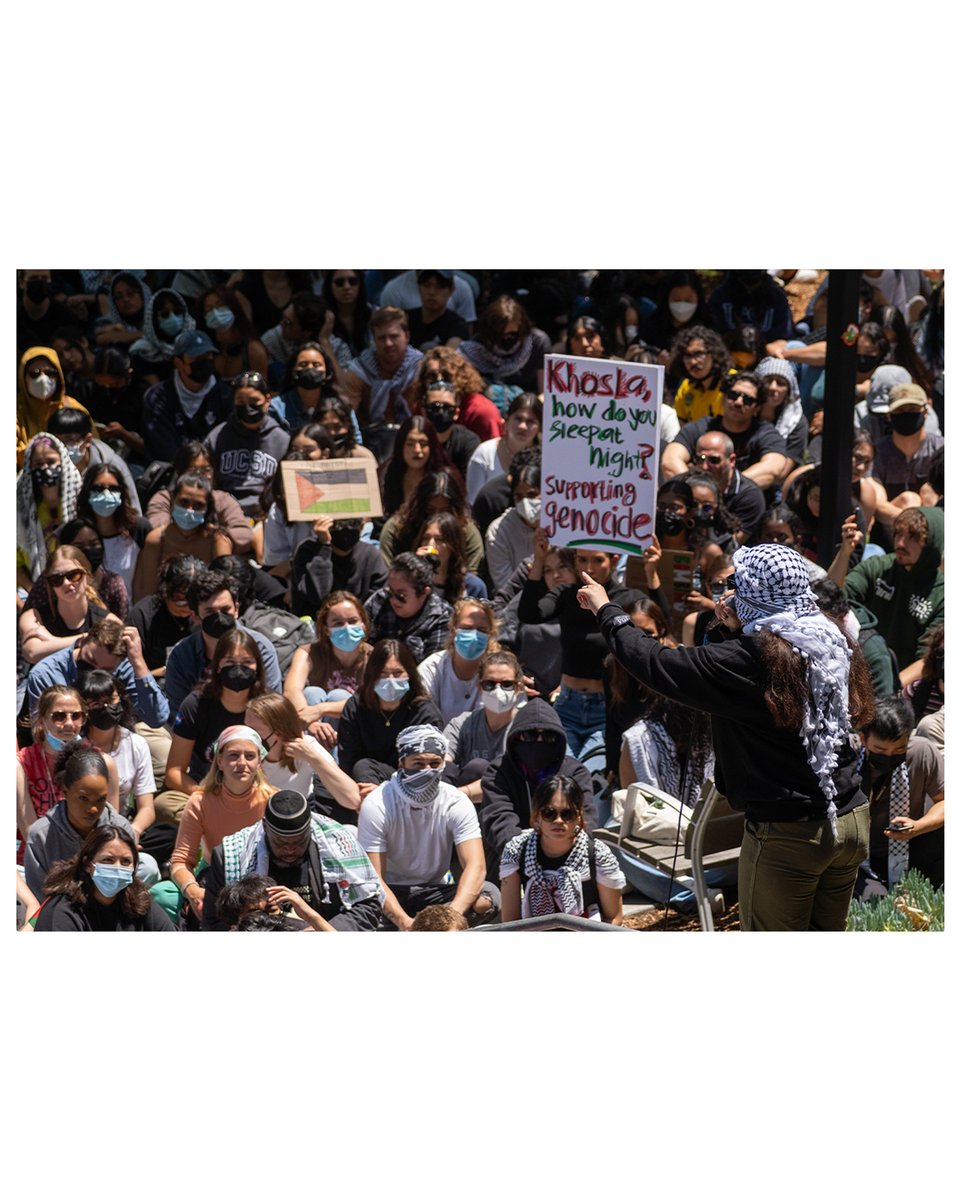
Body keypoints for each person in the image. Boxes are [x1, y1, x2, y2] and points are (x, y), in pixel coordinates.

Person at [579, 542, 875, 932]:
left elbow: (655, 663)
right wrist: (729, 625)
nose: (729, 591)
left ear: (754, 595)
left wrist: (607, 610)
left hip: (791, 835)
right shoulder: (826, 637)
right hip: (851, 820)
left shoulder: (748, 659)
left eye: (737, 583)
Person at [357, 725, 499, 930]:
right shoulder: (378, 803)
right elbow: (373, 878)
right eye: (418, 764)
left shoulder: (455, 801)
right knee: (360, 907)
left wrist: (451, 916)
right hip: (391, 893)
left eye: (434, 763)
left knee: (488, 897)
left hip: (436, 892)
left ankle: (434, 929)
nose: (426, 771)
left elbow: (476, 866)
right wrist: (404, 922)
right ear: (401, 763)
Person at [518, 531, 638, 759]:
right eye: (582, 560)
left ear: (613, 561)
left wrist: (652, 576)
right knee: (561, 774)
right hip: (567, 705)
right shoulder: (567, 595)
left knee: (593, 779)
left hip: (606, 708)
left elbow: (660, 624)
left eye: (597, 560)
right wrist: (540, 560)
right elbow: (530, 613)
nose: (589, 568)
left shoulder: (627, 598)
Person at [202, 789, 382, 931]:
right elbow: (214, 923)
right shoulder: (230, 855)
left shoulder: (338, 845)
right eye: (280, 842)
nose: (289, 849)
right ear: (265, 827)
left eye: (298, 842)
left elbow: (368, 907)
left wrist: (318, 931)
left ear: (310, 830)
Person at [478, 697, 598, 879]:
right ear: (515, 738)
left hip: (567, 859)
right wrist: (533, 855)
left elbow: (586, 820)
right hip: (513, 860)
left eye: (548, 737)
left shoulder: (575, 772)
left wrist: (557, 852)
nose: (539, 742)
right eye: (530, 735)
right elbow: (499, 821)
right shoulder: (498, 772)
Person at [169, 725, 278, 924]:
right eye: (233, 755)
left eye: (250, 756)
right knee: (162, 895)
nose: (242, 763)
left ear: (260, 761)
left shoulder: (273, 801)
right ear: (219, 761)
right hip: (214, 877)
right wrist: (193, 892)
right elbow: (181, 860)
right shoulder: (200, 801)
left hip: (262, 881)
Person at [24, 741, 159, 900]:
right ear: (65, 792)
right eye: (83, 798)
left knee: (148, 865)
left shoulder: (120, 828)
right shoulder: (41, 836)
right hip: (61, 912)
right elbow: (39, 896)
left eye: (100, 800)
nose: (93, 809)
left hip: (111, 907)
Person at [162, 631, 269, 821]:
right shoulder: (196, 704)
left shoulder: (268, 706)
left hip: (257, 793)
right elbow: (174, 773)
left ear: (257, 667)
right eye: (229, 662)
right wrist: (208, 796)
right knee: (164, 804)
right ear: (217, 666)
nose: (238, 669)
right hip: (206, 787)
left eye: (246, 663)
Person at [840, 506, 944, 689]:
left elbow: (927, 658)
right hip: (858, 672)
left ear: (931, 543)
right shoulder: (879, 567)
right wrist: (844, 553)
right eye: (898, 534)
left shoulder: (942, 594)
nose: (901, 543)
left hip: (903, 688)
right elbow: (834, 597)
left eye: (913, 537)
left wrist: (891, 688)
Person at [500, 776, 625, 924]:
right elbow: (510, 922)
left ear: (579, 817)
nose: (558, 820)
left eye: (567, 814)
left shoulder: (598, 855)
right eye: (549, 813)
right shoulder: (517, 850)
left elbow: (613, 917)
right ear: (536, 816)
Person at [855, 696, 944, 898]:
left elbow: (945, 802)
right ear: (862, 738)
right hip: (857, 854)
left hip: (909, 850)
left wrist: (919, 826)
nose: (889, 756)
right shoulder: (846, 754)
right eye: (879, 750)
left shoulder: (922, 752)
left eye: (899, 750)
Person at [162, 569, 283, 717]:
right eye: (210, 612)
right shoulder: (181, 655)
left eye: (225, 610)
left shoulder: (261, 647)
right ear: (195, 616)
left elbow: (270, 705)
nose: (219, 617)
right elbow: (178, 714)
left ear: (236, 609)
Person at [336, 639, 443, 793]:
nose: (391, 680)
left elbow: (425, 767)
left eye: (398, 673)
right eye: (383, 674)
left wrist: (385, 791)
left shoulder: (425, 714)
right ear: (372, 675)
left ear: (410, 674)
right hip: (359, 784)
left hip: (409, 787)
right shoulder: (356, 707)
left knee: (365, 766)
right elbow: (348, 760)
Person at [26, 617, 169, 729]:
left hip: (117, 739)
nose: (93, 671)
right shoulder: (46, 674)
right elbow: (43, 733)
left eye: (104, 670)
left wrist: (138, 662)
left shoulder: (123, 668)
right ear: (82, 641)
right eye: (90, 659)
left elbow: (157, 718)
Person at [661, 371, 790, 494]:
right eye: (733, 395)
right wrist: (697, 490)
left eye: (748, 400)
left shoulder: (765, 433)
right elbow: (670, 461)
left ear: (757, 408)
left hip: (744, 507)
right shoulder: (701, 427)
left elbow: (773, 468)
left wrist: (727, 488)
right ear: (723, 399)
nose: (739, 402)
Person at [33, 825, 175, 932]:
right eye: (108, 860)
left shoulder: (140, 903)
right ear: (88, 864)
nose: (118, 868)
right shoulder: (62, 911)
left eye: (126, 861)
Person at [244, 692, 360, 814]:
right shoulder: (240, 754)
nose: (246, 736)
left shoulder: (305, 746)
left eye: (254, 731)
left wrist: (313, 758)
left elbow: (353, 799)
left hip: (296, 814)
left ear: (279, 732)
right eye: (245, 727)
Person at [77, 669, 156, 841]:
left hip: (122, 826)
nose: (105, 708)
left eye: (110, 700)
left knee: (165, 834)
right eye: (96, 703)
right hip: (82, 827)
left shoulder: (136, 743)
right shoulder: (76, 746)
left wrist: (133, 832)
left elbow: (147, 808)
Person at [131, 470, 233, 602]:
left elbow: (223, 589)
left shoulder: (217, 540)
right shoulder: (156, 539)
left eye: (198, 505)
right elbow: (147, 591)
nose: (190, 510)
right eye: (184, 502)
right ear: (173, 499)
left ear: (208, 507)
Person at [203, 369, 290, 519]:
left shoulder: (282, 440)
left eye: (254, 401)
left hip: (265, 516)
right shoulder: (217, 436)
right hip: (222, 514)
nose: (248, 407)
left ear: (267, 400)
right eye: (241, 402)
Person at [284, 590, 373, 735]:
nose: (347, 628)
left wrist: (320, 710)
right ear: (326, 629)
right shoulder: (308, 652)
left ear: (363, 624)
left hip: (354, 729)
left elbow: (370, 702)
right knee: (312, 692)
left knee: (339, 696)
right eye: (337, 623)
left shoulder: (374, 657)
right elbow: (291, 690)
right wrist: (309, 720)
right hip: (314, 727)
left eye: (352, 621)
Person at [442, 649, 527, 799]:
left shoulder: (525, 727)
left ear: (518, 688)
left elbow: (510, 779)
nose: (497, 690)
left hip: (507, 803)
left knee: (479, 767)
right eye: (489, 684)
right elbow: (441, 762)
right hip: (462, 805)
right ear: (479, 687)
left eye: (507, 684)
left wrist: (458, 795)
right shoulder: (462, 723)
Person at [342, 306, 424, 460]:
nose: (388, 343)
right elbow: (348, 415)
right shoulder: (359, 371)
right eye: (382, 338)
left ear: (407, 336)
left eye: (394, 336)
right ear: (373, 340)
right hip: (370, 443)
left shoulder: (421, 369)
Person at [17, 684, 87, 862]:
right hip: (37, 856)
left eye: (76, 716)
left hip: (84, 856)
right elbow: (30, 832)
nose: (69, 723)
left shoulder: (101, 762)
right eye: (59, 716)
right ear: (42, 721)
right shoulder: (20, 765)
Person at [144, 440, 253, 553]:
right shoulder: (164, 498)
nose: (199, 475)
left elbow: (244, 534)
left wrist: (212, 537)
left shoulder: (223, 499)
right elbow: (156, 527)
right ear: (179, 472)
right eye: (192, 470)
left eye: (206, 470)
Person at [141, 329, 232, 464]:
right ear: (178, 362)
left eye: (207, 356)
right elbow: (163, 449)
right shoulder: (157, 398)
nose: (204, 362)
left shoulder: (226, 395)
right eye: (196, 358)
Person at [18, 546, 109, 667]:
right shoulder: (33, 617)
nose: (66, 583)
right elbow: (32, 652)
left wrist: (51, 640)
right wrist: (86, 640)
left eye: (73, 575)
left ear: (87, 576)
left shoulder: (108, 620)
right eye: (56, 579)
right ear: (50, 585)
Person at [378, 470, 483, 572]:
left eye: (444, 511)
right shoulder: (396, 529)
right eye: (430, 510)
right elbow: (388, 575)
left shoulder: (467, 532)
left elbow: (473, 576)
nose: (436, 516)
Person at [871, 383, 944, 529]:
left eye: (912, 410)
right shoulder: (877, 452)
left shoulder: (941, 449)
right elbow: (879, 506)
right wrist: (914, 523)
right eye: (900, 411)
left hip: (935, 526)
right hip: (891, 530)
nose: (906, 415)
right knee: (909, 499)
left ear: (925, 411)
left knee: (928, 490)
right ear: (889, 416)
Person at [16, 432, 83, 589]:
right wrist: (36, 593)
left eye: (51, 461)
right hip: (35, 589)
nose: (45, 468)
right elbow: (14, 563)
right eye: (38, 464)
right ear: (29, 468)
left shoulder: (79, 503)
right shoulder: (20, 511)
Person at [45, 406, 141, 514]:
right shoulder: (44, 467)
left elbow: (134, 511)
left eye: (69, 439)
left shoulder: (113, 465)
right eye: (55, 440)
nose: (61, 446)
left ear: (87, 440)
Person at [418, 600, 499, 726]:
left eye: (482, 630)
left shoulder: (502, 672)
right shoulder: (432, 668)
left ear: (491, 634)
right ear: (452, 630)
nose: (474, 635)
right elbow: (422, 717)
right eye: (467, 628)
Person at [75, 462, 149, 596]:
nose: (106, 494)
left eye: (113, 489)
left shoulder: (139, 529)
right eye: (98, 488)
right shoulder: (77, 532)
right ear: (87, 493)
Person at [363, 552, 453, 663]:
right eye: (390, 592)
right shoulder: (379, 600)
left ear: (425, 592)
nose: (393, 600)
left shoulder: (441, 616)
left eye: (401, 596)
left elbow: (433, 666)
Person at [291, 514, 388, 616]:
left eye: (352, 524)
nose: (345, 530)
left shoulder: (370, 555)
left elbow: (379, 601)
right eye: (338, 525)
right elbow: (318, 595)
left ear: (362, 526)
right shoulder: (308, 552)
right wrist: (324, 546)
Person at [457, 294, 551, 396]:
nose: (506, 338)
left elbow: (544, 393)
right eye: (499, 334)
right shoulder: (475, 348)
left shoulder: (537, 343)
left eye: (512, 334)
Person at [125, 554, 202, 679]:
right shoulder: (143, 615)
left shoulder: (204, 614)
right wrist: (166, 671)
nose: (189, 608)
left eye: (194, 602)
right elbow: (127, 673)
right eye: (181, 601)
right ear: (165, 591)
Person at [412, 345, 503, 443]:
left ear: (460, 377)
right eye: (432, 376)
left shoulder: (481, 411)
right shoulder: (422, 408)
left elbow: (491, 454)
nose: (439, 381)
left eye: (447, 376)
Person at [688, 429, 767, 543]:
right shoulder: (684, 485)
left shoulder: (750, 496)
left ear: (732, 460)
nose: (704, 466)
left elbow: (731, 545)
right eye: (700, 459)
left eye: (713, 460)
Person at [17, 345, 89, 465]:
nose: (43, 379)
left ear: (59, 376)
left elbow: (92, 447)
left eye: (50, 373)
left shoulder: (74, 408)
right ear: (23, 377)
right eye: (35, 373)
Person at [465, 392, 542, 504]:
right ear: (506, 420)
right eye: (518, 419)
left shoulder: (546, 459)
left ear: (540, 427)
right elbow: (473, 501)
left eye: (530, 421)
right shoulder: (484, 453)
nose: (523, 426)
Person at [378, 414, 459, 519]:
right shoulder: (385, 474)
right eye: (410, 444)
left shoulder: (447, 478)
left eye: (423, 444)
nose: (417, 450)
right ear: (401, 446)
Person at [484, 458, 542, 592]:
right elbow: (505, 585)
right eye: (519, 496)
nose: (525, 502)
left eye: (532, 494)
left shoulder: (562, 522)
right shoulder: (498, 531)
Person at [196, 282, 270, 381]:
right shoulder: (206, 351)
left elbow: (260, 390)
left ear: (233, 308)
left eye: (220, 305)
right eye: (209, 309)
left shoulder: (253, 350)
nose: (215, 313)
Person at [707, 270, 794, 348]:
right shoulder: (720, 296)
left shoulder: (777, 298)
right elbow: (712, 335)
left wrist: (766, 350)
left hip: (765, 356)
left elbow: (783, 339)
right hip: (727, 354)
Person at [412, 510, 487, 602]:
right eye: (426, 538)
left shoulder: (473, 586)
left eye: (439, 539)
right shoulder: (410, 582)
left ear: (453, 545)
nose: (430, 545)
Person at [666, 325, 734, 423]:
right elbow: (680, 424)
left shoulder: (732, 383)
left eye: (698, 354)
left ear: (713, 353)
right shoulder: (687, 386)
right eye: (687, 356)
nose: (693, 362)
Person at [129, 285, 196, 383]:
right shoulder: (144, 352)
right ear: (154, 320)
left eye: (177, 312)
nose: (173, 318)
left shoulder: (196, 342)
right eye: (165, 314)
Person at [754, 357, 808, 473]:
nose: (773, 387)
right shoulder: (746, 410)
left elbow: (783, 472)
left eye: (781, 383)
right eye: (768, 380)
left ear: (788, 390)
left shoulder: (796, 421)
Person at [405, 269, 469, 350]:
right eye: (426, 285)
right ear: (419, 288)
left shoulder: (457, 326)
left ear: (451, 290)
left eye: (440, 287)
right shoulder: (406, 319)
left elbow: (450, 357)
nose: (432, 292)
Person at [322, 270, 372, 357]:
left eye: (353, 281)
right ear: (329, 286)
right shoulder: (321, 319)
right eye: (339, 282)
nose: (347, 287)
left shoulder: (375, 314)